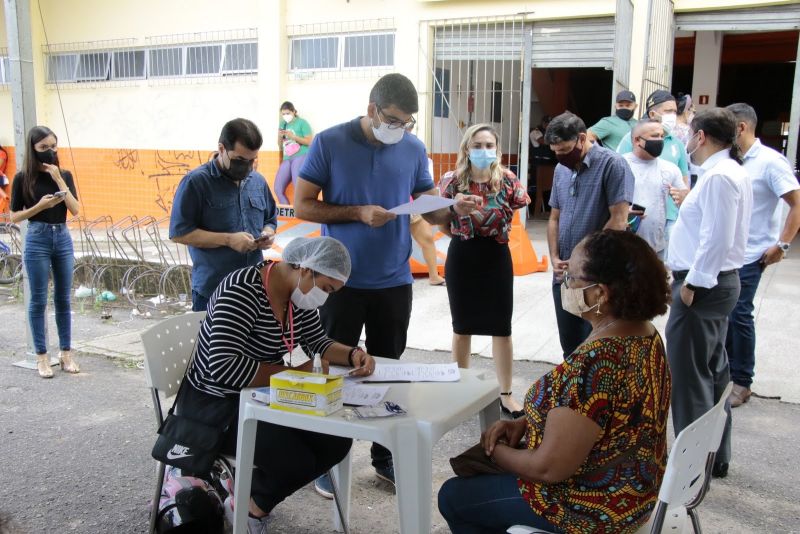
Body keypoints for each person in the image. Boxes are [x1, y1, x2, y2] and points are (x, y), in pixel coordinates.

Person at [294, 73, 480, 491]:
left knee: (389, 372)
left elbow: (429, 211)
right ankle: (326, 460)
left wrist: (454, 206)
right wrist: (357, 212)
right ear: (373, 109)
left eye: (407, 122)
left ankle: (384, 456)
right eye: (394, 120)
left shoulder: (412, 148)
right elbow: (302, 205)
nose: (401, 129)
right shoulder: (329, 141)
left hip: (393, 282)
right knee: (335, 370)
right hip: (337, 280)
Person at [438, 230, 672, 534]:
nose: (563, 281)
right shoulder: (644, 333)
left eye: (571, 276)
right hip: (634, 494)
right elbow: (601, 416)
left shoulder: (596, 363)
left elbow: (548, 469)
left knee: (454, 496)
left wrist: (494, 451)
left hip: (593, 508)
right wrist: (527, 421)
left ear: (600, 294)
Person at [175, 236, 376, 534]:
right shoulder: (242, 291)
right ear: (306, 269)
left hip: (265, 397)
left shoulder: (297, 296)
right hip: (215, 406)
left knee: (336, 441)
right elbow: (221, 366)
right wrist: (292, 372)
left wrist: (353, 353)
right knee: (295, 459)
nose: (325, 298)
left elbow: (317, 341)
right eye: (326, 288)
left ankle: (251, 502)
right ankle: (244, 504)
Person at [666, 107, 753, 479]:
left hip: (703, 285)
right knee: (713, 373)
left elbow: (715, 238)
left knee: (689, 378)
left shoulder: (720, 176)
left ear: (700, 137)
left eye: (689, 133)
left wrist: (692, 284)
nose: (685, 138)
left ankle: (692, 466)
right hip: (712, 284)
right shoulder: (725, 172)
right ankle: (713, 456)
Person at [440, 124, 530, 417]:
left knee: (502, 329)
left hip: (496, 257)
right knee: (461, 327)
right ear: (466, 148)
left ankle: (506, 394)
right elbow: (441, 218)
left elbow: (513, 214)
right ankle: (460, 391)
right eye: (477, 145)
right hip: (462, 256)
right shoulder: (452, 182)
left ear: (497, 149)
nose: (483, 150)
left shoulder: (508, 181)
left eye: (488, 145)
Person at [724, 103, 800, 407]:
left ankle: (742, 381)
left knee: (739, 313)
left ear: (741, 128)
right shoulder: (730, 160)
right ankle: (726, 374)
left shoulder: (770, 162)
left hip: (751, 254)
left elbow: (796, 204)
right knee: (724, 315)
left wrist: (782, 245)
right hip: (725, 255)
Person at [545, 112, 634, 358]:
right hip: (564, 276)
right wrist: (554, 257)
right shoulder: (560, 171)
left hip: (597, 278)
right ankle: (574, 395)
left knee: (596, 349)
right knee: (570, 347)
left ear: (582, 139)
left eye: (564, 150)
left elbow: (618, 220)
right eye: (555, 151)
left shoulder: (612, 165)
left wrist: (586, 261)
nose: (560, 156)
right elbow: (554, 217)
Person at [170, 118, 278, 312]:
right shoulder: (196, 183)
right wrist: (228, 240)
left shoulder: (257, 181)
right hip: (214, 291)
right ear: (221, 149)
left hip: (255, 288)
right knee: (215, 343)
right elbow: (179, 233)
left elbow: (270, 219)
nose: (246, 167)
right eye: (239, 160)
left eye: (252, 161)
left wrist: (268, 233)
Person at [10, 126, 81, 378]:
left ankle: (66, 354)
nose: (50, 152)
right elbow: (15, 216)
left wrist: (60, 180)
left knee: (63, 298)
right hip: (37, 236)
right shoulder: (22, 178)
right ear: (33, 150)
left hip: (62, 236)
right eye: (43, 148)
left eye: (53, 146)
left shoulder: (64, 174)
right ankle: (42, 357)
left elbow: (76, 210)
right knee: (38, 300)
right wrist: (39, 206)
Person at [618, 91, 690, 257]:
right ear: (636, 140)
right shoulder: (620, 165)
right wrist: (623, 211)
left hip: (657, 243)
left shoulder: (670, 168)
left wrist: (682, 196)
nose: (659, 141)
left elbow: (686, 197)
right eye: (654, 136)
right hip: (624, 242)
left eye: (661, 137)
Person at [274, 102, 313, 205]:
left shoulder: (302, 123)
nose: (285, 116)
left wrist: (293, 137)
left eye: (287, 113)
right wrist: (279, 135)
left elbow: (309, 142)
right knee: (278, 188)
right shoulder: (282, 123)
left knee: (298, 187)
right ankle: (288, 214)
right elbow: (279, 145)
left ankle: (302, 212)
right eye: (283, 114)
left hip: (301, 155)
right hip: (287, 158)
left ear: (294, 112)